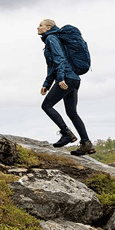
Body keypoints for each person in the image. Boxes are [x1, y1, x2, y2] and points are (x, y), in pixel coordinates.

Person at [38, 19, 95, 156]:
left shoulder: (51, 38)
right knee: (72, 113)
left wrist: (61, 78)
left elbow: (59, 59)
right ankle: (86, 144)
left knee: (46, 106)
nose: (37, 28)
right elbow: (53, 65)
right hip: (74, 79)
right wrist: (47, 84)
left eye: (40, 25)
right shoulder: (54, 38)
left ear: (48, 27)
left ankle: (66, 134)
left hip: (67, 79)